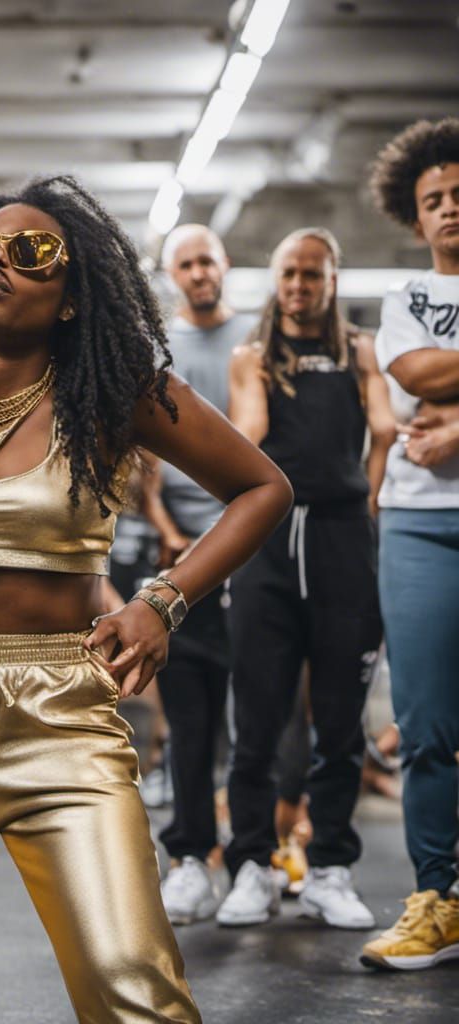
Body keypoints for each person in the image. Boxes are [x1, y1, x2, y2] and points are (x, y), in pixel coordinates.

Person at [0, 176, 292, 1023]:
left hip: (64, 716)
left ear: (72, 299)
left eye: (33, 252)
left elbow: (262, 488)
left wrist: (161, 601)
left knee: (134, 990)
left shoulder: (116, 399)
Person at [218, 227, 395, 931]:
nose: (299, 285)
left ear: (331, 280)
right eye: (289, 273)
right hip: (268, 539)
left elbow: (383, 429)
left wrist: (370, 498)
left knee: (341, 721)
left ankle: (328, 867)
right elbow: (247, 436)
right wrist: (259, 388)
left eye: (312, 275)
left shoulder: (360, 350)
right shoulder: (251, 355)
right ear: (275, 278)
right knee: (258, 716)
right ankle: (253, 866)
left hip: (342, 538)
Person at [361, 117, 459, 971]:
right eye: (434, 200)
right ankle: (438, 897)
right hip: (420, 521)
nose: (450, 209)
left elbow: (441, 385)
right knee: (426, 724)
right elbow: (416, 377)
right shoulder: (405, 301)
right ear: (414, 215)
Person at [140, 224, 254, 924]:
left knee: (255, 719)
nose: (198, 272)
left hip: (245, 547)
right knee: (187, 717)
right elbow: (144, 464)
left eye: (207, 259)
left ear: (224, 265)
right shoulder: (158, 353)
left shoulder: (252, 344)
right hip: (177, 555)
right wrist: (169, 534)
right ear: (172, 274)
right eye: (185, 263)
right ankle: (188, 857)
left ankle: (255, 860)